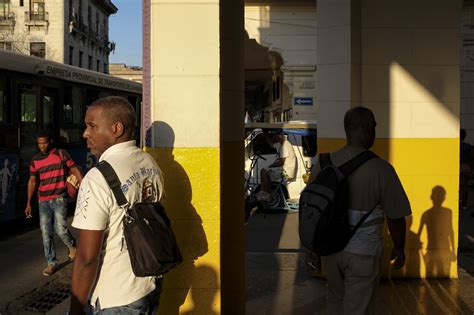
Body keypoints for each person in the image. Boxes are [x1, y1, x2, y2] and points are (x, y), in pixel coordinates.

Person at [306, 107, 411, 315]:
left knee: (335, 300)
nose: (374, 132)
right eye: (373, 127)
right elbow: (395, 217)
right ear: (366, 128)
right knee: (358, 308)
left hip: (330, 249)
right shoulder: (382, 169)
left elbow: (312, 213)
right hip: (364, 251)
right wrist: (399, 248)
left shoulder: (323, 164)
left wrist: (313, 249)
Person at [70, 96, 165, 315]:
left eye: (92, 126)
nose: (85, 133)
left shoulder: (98, 177)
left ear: (116, 128)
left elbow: (86, 258)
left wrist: (75, 310)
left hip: (116, 297)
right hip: (149, 286)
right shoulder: (150, 163)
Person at [24, 130, 82, 276]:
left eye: (44, 143)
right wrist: (28, 203)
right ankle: (51, 262)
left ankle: (72, 245)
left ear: (50, 142)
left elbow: (74, 169)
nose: (42, 146)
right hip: (43, 200)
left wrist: (84, 186)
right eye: (39, 143)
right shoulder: (35, 160)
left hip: (59, 198)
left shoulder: (61, 154)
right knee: (45, 232)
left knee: (61, 229)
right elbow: (32, 181)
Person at [255, 132, 296, 202]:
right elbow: (272, 145)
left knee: (264, 171)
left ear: (277, 137)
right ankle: (265, 192)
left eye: (273, 137)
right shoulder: (280, 145)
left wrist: (271, 166)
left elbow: (281, 162)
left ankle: (265, 193)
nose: (273, 139)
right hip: (284, 169)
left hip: (287, 171)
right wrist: (266, 136)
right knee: (264, 171)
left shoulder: (285, 145)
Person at [460, 128, 471, 209]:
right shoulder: (468, 146)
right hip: (466, 167)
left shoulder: (454, 145)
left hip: (457, 166)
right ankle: (464, 205)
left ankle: (458, 202)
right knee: (465, 186)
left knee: (458, 186)